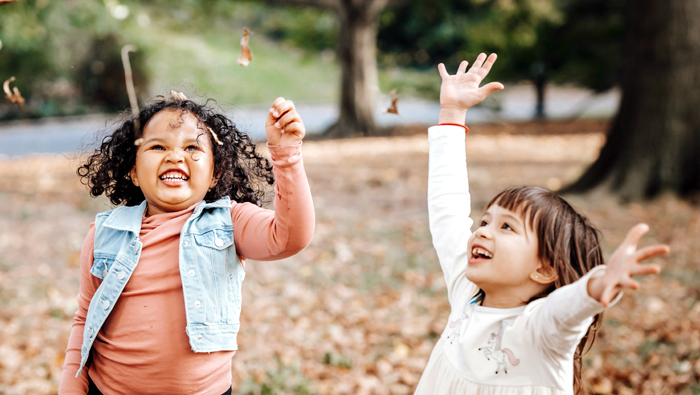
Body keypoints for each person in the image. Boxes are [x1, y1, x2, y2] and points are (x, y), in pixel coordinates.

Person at [415, 53, 669, 395]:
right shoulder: (467, 291)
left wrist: (600, 283)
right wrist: (452, 114)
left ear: (545, 270)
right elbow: (448, 208)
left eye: (506, 227)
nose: (484, 230)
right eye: (487, 220)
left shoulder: (543, 331)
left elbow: (571, 307)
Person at [59, 92, 314, 395]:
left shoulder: (229, 222)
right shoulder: (106, 232)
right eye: (157, 146)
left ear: (214, 174)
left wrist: (287, 155)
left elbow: (290, 237)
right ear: (133, 172)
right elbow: (85, 319)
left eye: (192, 146)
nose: (175, 156)